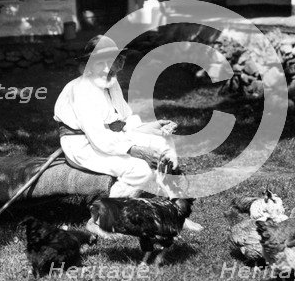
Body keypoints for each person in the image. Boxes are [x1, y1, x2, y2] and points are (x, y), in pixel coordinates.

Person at [53, 35, 202, 230]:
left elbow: (122, 121)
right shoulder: (81, 91)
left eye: (113, 61)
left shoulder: (111, 84)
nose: (108, 68)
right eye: (100, 63)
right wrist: (136, 150)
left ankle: (175, 211)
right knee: (138, 169)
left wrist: (151, 128)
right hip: (83, 146)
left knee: (164, 144)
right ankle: (99, 221)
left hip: (110, 137)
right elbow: (99, 138)